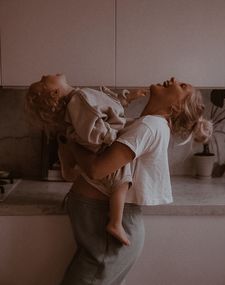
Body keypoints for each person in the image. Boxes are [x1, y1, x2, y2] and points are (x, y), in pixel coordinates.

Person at [57, 77, 213, 285]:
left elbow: (97, 169)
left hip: (106, 229)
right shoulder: (148, 123)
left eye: (182, 86)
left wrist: (71, 139)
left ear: (175, 107)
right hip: (102, 227)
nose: (175, 79)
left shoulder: (150, 126)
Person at [25, 74, 146, 246]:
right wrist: (113, 138)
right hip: (106, 146)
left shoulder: (79, 97)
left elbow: (103, 109)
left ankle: (69, 170)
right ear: (55, 93)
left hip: (106, 141)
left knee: (121, 180)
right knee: (122, 182)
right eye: (43, 81)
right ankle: (115, 223)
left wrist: (125, 99)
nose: (44, 75)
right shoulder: (78, 100)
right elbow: (92, 131)